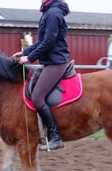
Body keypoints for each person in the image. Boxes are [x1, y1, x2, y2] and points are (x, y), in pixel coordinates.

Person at [13, 0, 70, 151]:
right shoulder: (48, 11)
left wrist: (29, 58)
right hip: (50, 62)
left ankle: (55, 137)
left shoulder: (53, 13)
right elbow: (42, 41)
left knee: (37, 97)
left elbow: (49, 42)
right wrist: (25, 52)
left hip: (56, 63)